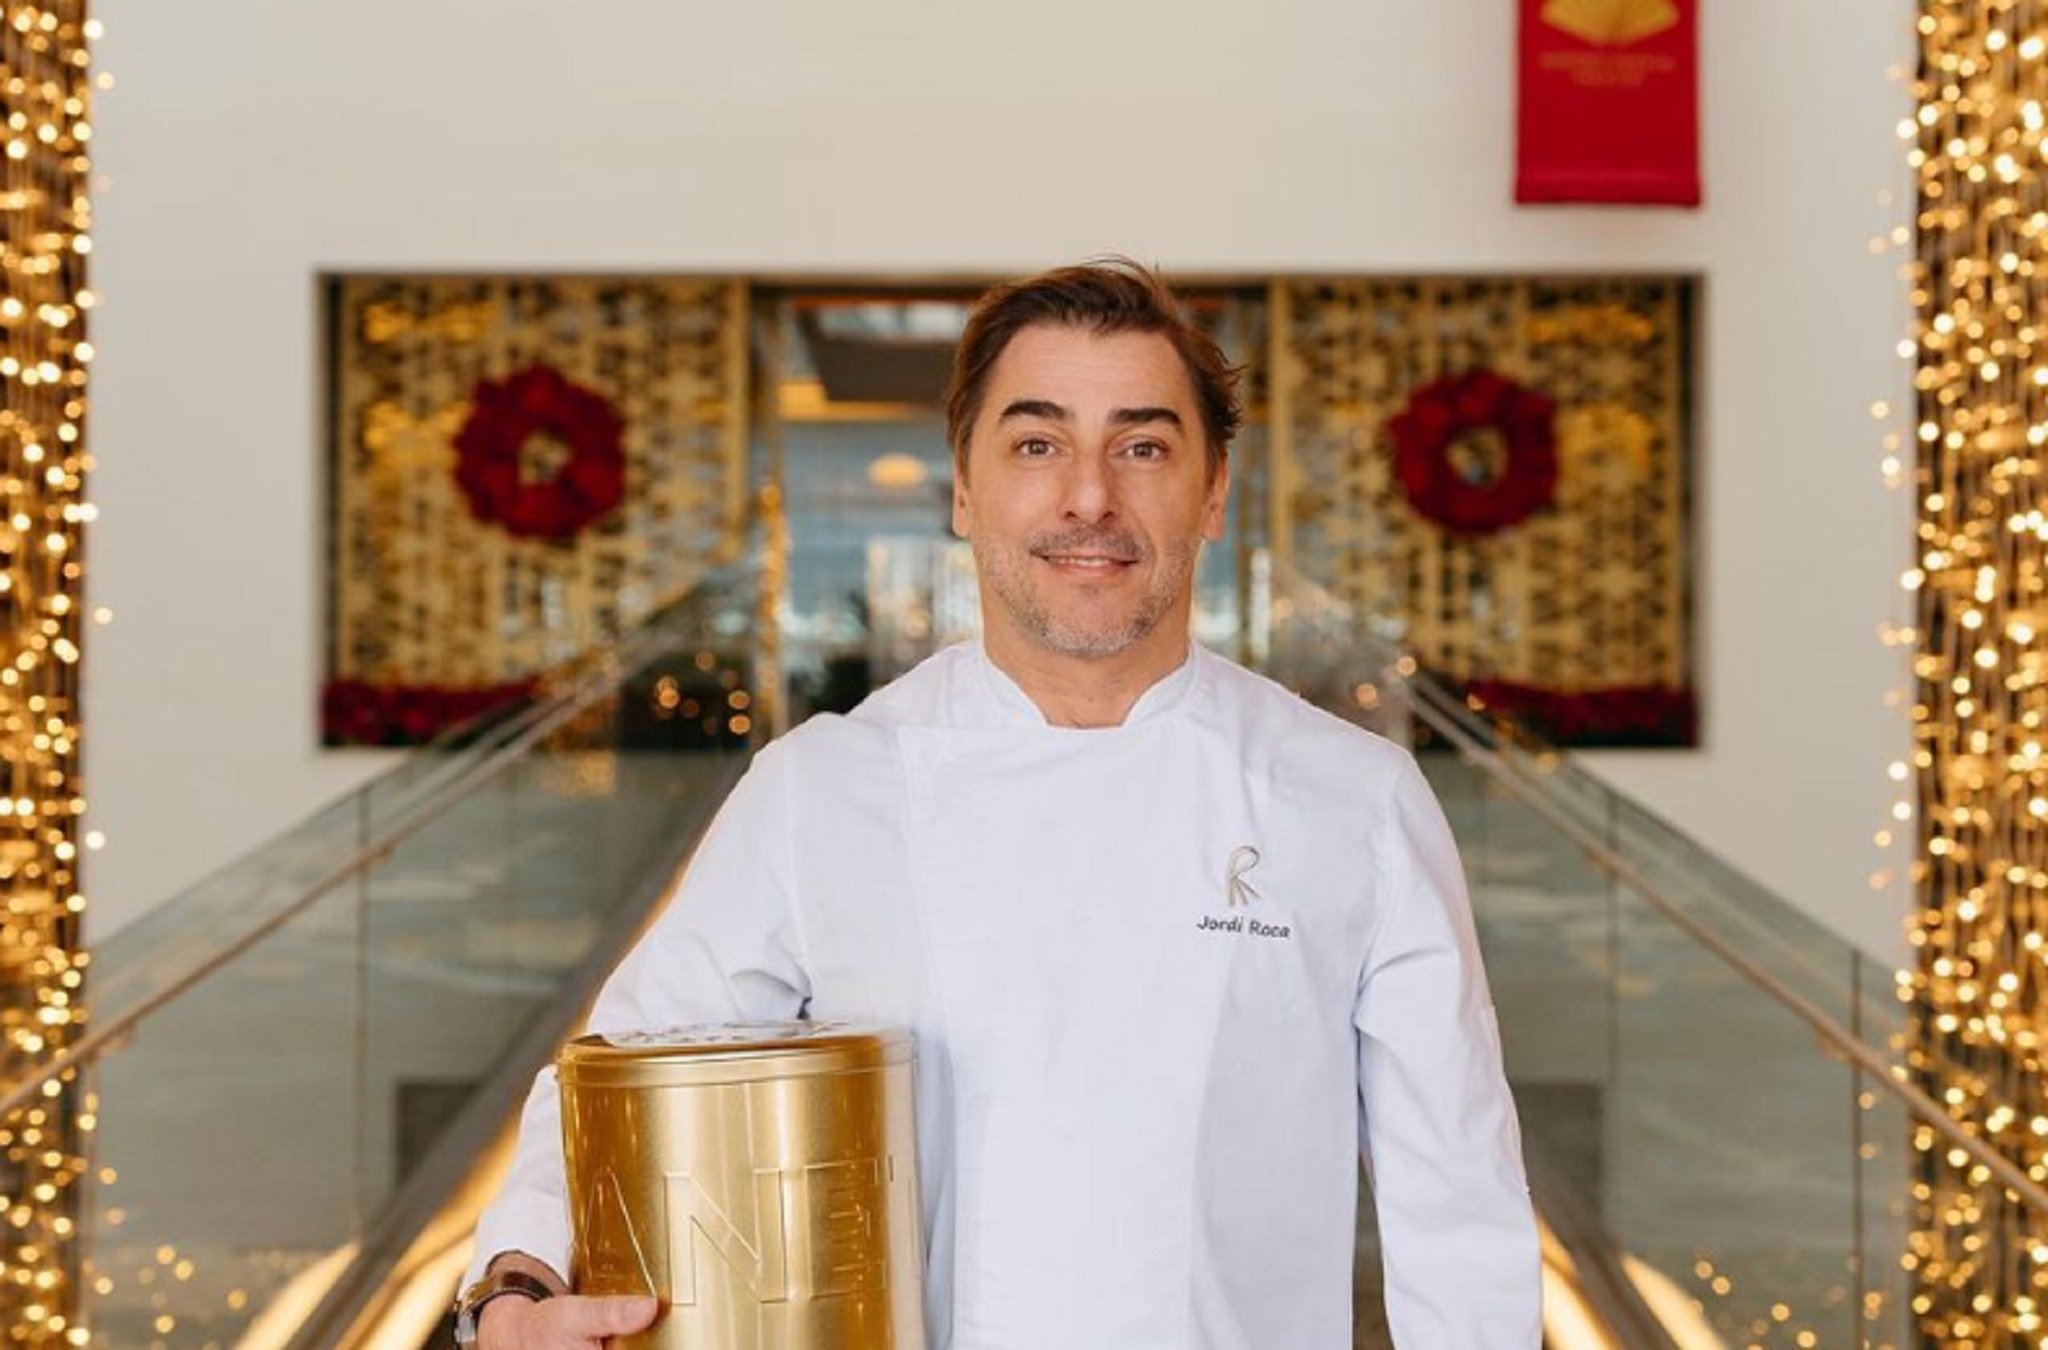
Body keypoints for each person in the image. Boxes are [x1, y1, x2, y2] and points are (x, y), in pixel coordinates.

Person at [457, 259, 1541, 1348]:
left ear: (1212, 492)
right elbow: (622, 1069)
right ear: (965, 491)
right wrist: (517, 1280)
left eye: (1143, 445)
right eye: (1036, 443)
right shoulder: (825, 784)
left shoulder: (1350, 796)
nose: (1087, 495)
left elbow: (1456, 1196)